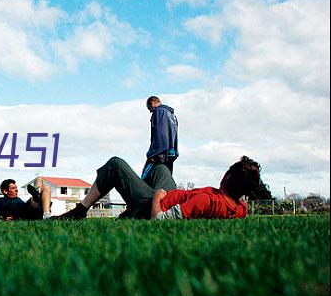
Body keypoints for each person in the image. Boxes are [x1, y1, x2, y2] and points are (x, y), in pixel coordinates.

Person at [53, 156, 260, 221]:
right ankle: (133, 203)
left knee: (115, 164)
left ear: (227, 176)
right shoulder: (240, 209)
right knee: (161, 168)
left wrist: (156, 199)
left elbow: (159, 221)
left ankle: (80, 211)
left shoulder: (207, 200)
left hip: (152, 205)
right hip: (171, 196)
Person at [142, 95, 178, 180]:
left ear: (153, 103)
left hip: (160, 152)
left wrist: (153, 154)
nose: (150, 111)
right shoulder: (172, 115)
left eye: (149, 108)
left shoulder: (158, 112)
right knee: (166, 178)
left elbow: (160, 133)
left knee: (145, 178)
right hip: (171, 152)